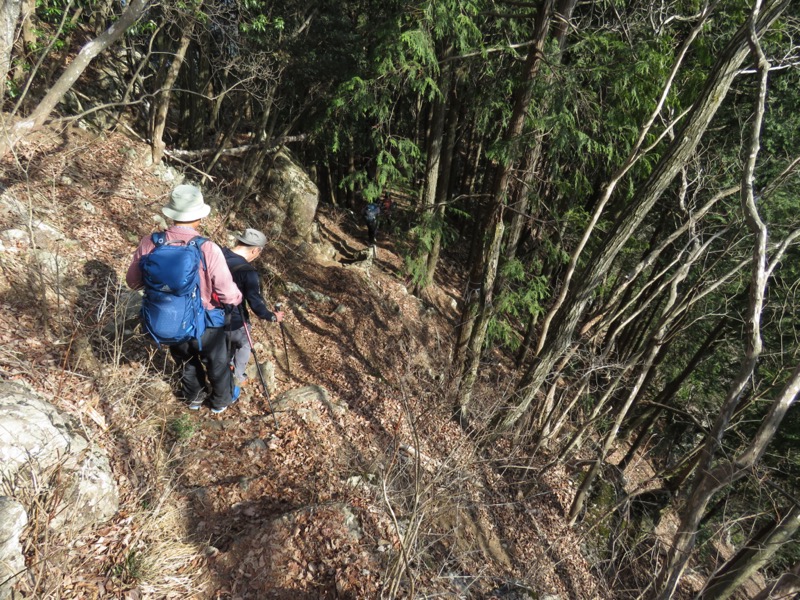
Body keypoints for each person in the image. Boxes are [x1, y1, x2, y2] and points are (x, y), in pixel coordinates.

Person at [126, 184, 243, 414]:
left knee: (184, 360)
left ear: (171, 213)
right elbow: (228, 292)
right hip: (208, 321)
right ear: (199, 216)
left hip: (168, 316)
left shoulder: (151, 242)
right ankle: (220, 401)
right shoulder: (207, 248)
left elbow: (133, 282)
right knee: (216, 362)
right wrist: (237, 298)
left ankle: (195, 398)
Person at [223, 228, 284, 393]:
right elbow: (256, 304)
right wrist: (271, 316)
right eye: (259, 253)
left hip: (208, 315)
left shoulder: (218, 254)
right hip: (235, 319)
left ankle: (223, 368)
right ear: (255, 250)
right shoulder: (247, 271)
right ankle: (238, 376)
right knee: (243, 343)